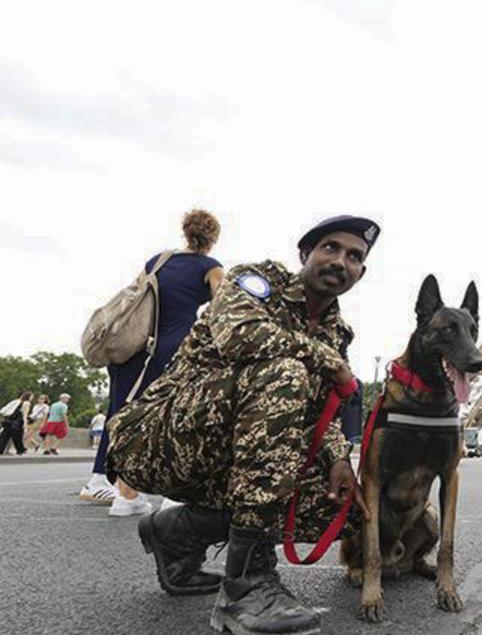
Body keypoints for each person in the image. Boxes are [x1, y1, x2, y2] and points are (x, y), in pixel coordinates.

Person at [106, 215, 379, 635]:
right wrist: (331, 364)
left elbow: (319, 412)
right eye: (330, 248)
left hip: (233, 453)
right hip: (158, 438)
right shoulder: (255, 281)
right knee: (284, 375)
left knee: (338, 508)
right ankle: (246, 587)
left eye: (354, 256)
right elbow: (241, 336)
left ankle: (176, 534)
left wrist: (339, 459)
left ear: (361, 272)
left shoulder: (336, 332)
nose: (341, 261)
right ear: (305, 253)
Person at [81, 209, 225, 515]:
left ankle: (125, 495)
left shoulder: (158, 260)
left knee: (124, 416)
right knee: (174, 417)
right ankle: (173, 496)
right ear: (212, 238)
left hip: (135, 346)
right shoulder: (211, 267)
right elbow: (224, 308)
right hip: (176, 347)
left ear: (186, 232)